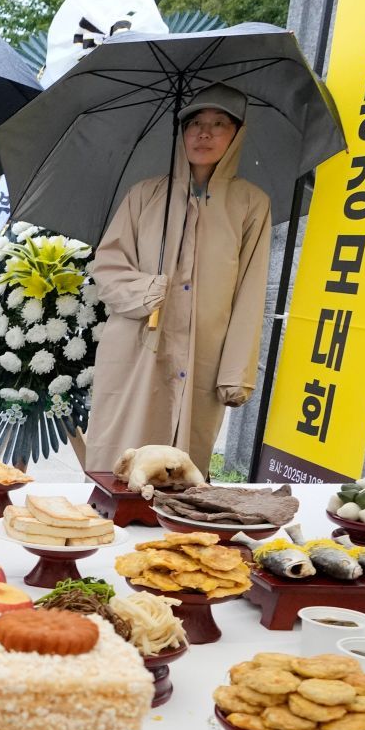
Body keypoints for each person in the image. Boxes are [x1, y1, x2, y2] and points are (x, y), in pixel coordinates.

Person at [82, 85, 271, 475]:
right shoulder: (145, 195)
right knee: (120, 460)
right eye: (195, 123)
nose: (205, 133)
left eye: (219, 124)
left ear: (236, 135)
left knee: (179, 472)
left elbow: (251, 291)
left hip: (202, 353)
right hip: (139, 345)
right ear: (181, 132)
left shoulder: (251, 204)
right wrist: (148, 291)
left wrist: (236, 373)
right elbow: (107, 267)